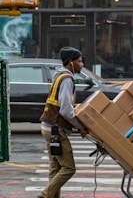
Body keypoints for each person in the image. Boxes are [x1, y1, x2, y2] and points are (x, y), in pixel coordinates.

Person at [38, 46, 89, 198]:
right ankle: (44, 195)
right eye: (79, 61)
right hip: (56, 129)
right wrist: (81, 126)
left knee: (55, 168)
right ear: (70, 62)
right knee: (68, 168)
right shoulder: (67, 79)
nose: (82, 65)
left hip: (48, 127)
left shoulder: (59, 76)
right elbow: (66, 110)